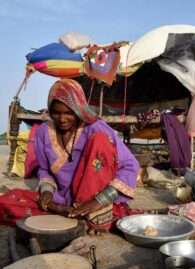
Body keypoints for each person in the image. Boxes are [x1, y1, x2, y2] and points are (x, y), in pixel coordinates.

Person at [35, 78, 140, 232]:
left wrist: (98, 201)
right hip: (63, 198)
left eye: (68, 113)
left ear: (78, 110)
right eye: (56, 113)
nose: (62, 119)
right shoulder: (44, 131)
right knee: (11, 204)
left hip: (94, 197)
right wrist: (46, 191)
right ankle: (67, 210)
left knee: (100, 141)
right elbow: (44, 170)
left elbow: (130, 166)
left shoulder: (96, 128)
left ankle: (90, 212)